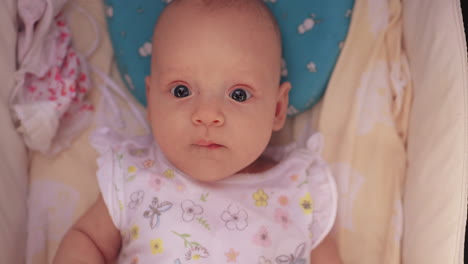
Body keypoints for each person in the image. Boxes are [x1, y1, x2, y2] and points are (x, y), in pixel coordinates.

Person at [54, 0, 342, 263]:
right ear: (152, 101)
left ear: (278, 109)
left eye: (239, 95)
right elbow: (88, 239)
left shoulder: (300, 191)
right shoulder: (133, 177)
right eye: (182, 90)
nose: (207, 115)